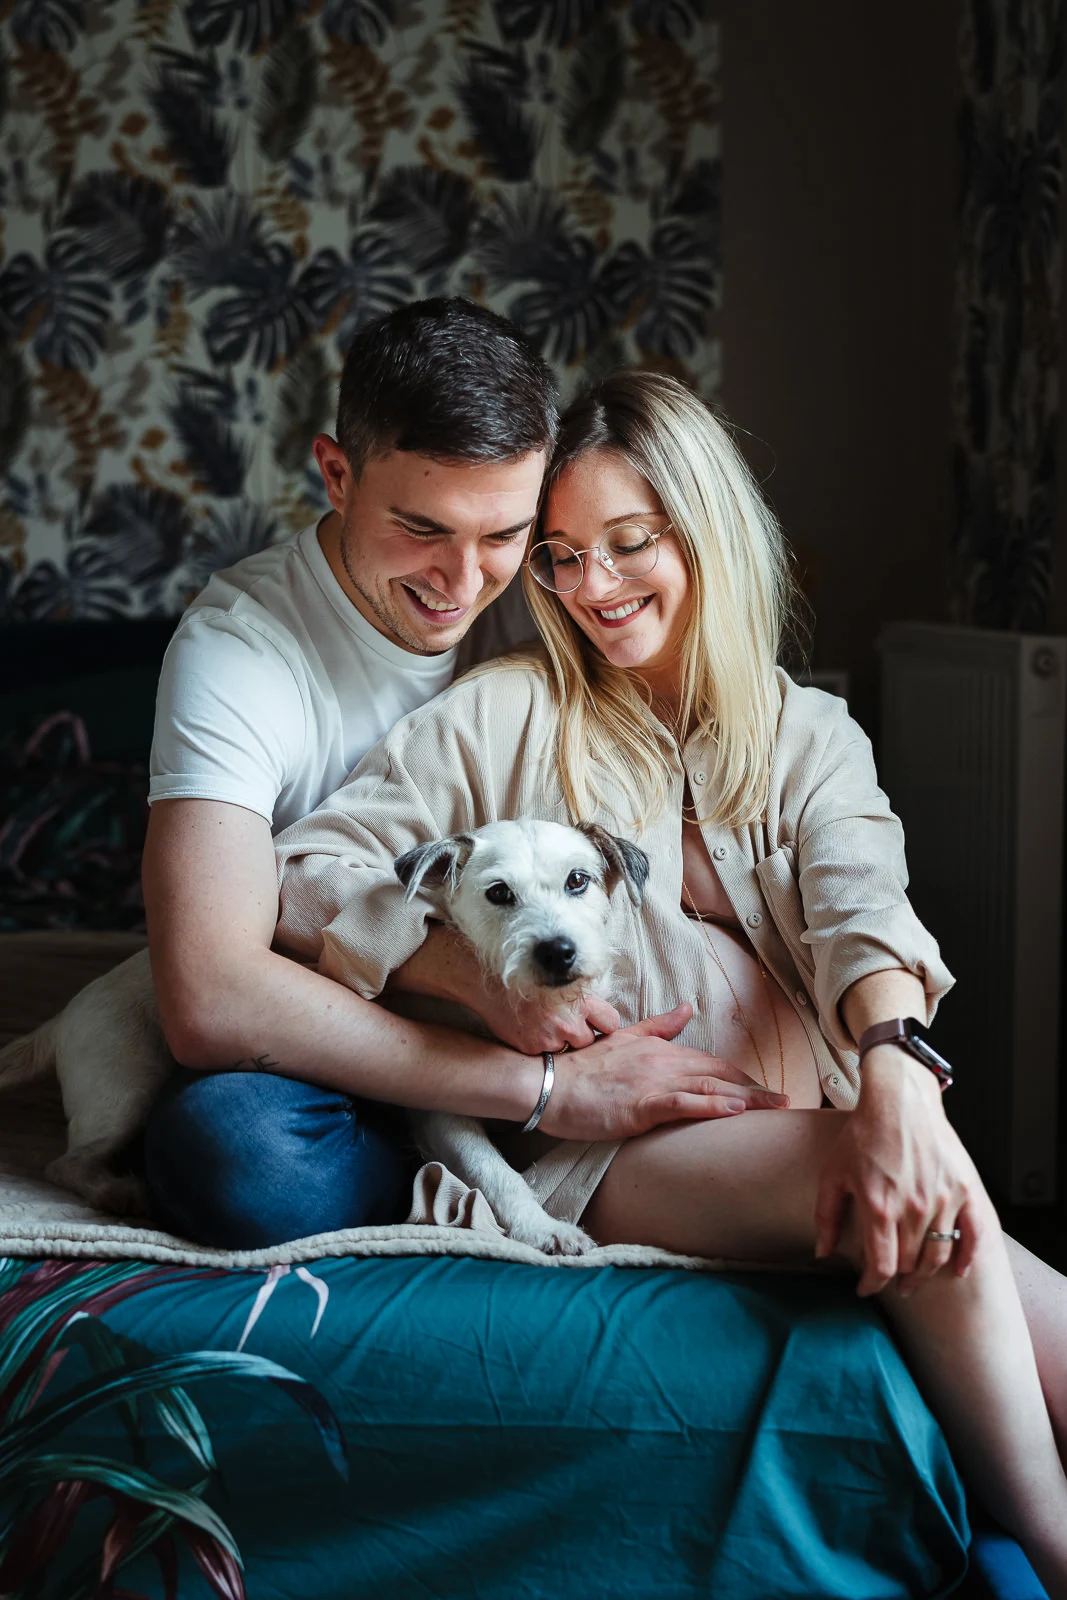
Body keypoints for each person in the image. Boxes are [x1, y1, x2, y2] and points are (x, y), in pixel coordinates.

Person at [271, 371, 1067, 1596]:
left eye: (627, 545)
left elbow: (867, 912)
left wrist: (900, 1086)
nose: (592, 588)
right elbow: (299, 876)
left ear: (705, 529)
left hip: (800, 1115)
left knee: (994, 1256)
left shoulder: (811, 734)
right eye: (559, 559)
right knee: (924, 1210)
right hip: (604, 1148)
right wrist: (472, 985)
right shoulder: (502, 711)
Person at [140, 300, 788, 1249]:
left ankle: (485, 1147)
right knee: (237, 1153)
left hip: (532, 988)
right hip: (331, 1030)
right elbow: (207, 998)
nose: (461, 579)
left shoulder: (553, 595)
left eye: (502, 535)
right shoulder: (238, 654)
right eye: (420, 527)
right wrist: (540, 1080)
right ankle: (481, 1145)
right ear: (335, 473)